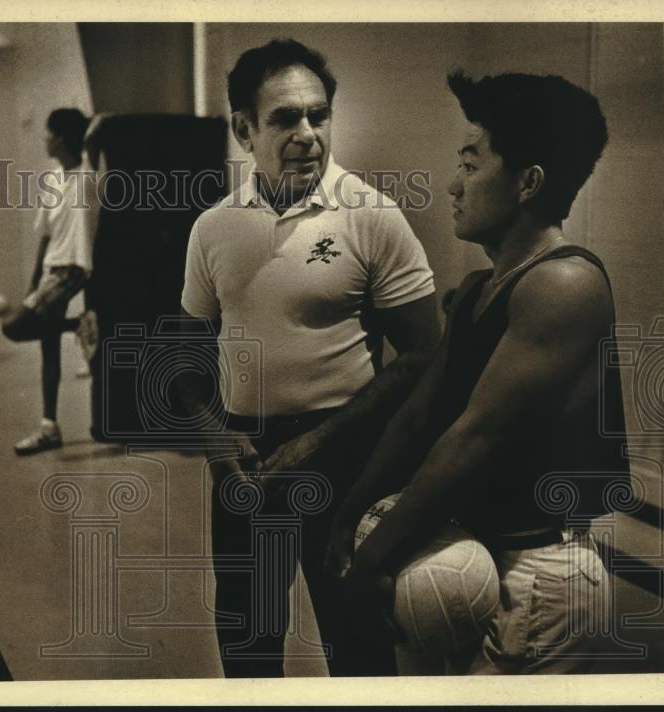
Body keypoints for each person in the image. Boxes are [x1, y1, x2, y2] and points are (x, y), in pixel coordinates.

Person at [325, 71, 628, 674]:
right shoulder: (476, 292)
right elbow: (417, 418)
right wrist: (346, 520)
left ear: (528, 183)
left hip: (541, 576)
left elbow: (475, 439)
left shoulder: (565, 283)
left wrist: (371, 563)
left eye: (470, 163)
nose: (452, 184)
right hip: (466, 556)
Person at [179, 39, 440, 677]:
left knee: (356, 649)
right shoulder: (212, 227)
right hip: (246, 463)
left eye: (318, 116)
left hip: (348, 460)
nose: (307, 134)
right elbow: (185, 362)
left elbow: (426, 354)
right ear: (244, 129)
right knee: (247, 646)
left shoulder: (372, 216)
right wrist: (217, 439)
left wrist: (315, 444)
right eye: (285, 118)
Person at [0, 108, 98, 455]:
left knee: (13, 327)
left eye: (48, 133)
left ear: (61, 138)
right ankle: (49, 426)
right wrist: (32, 281)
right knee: (47, 343)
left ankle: (80, 325)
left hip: (73, 270)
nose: (44, 139)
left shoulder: (91, 177)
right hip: (52, 270)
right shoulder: (52, 179)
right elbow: (45, 236)